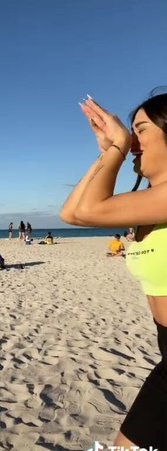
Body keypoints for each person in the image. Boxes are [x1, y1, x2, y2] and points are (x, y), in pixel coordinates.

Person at [60, 90, 167, 450]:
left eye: (140, 129)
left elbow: (89, 209)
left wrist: (119, 147)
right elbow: (71, 214)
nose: (134, 139)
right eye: (131, 131)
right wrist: (108, 151)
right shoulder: (154, 200)